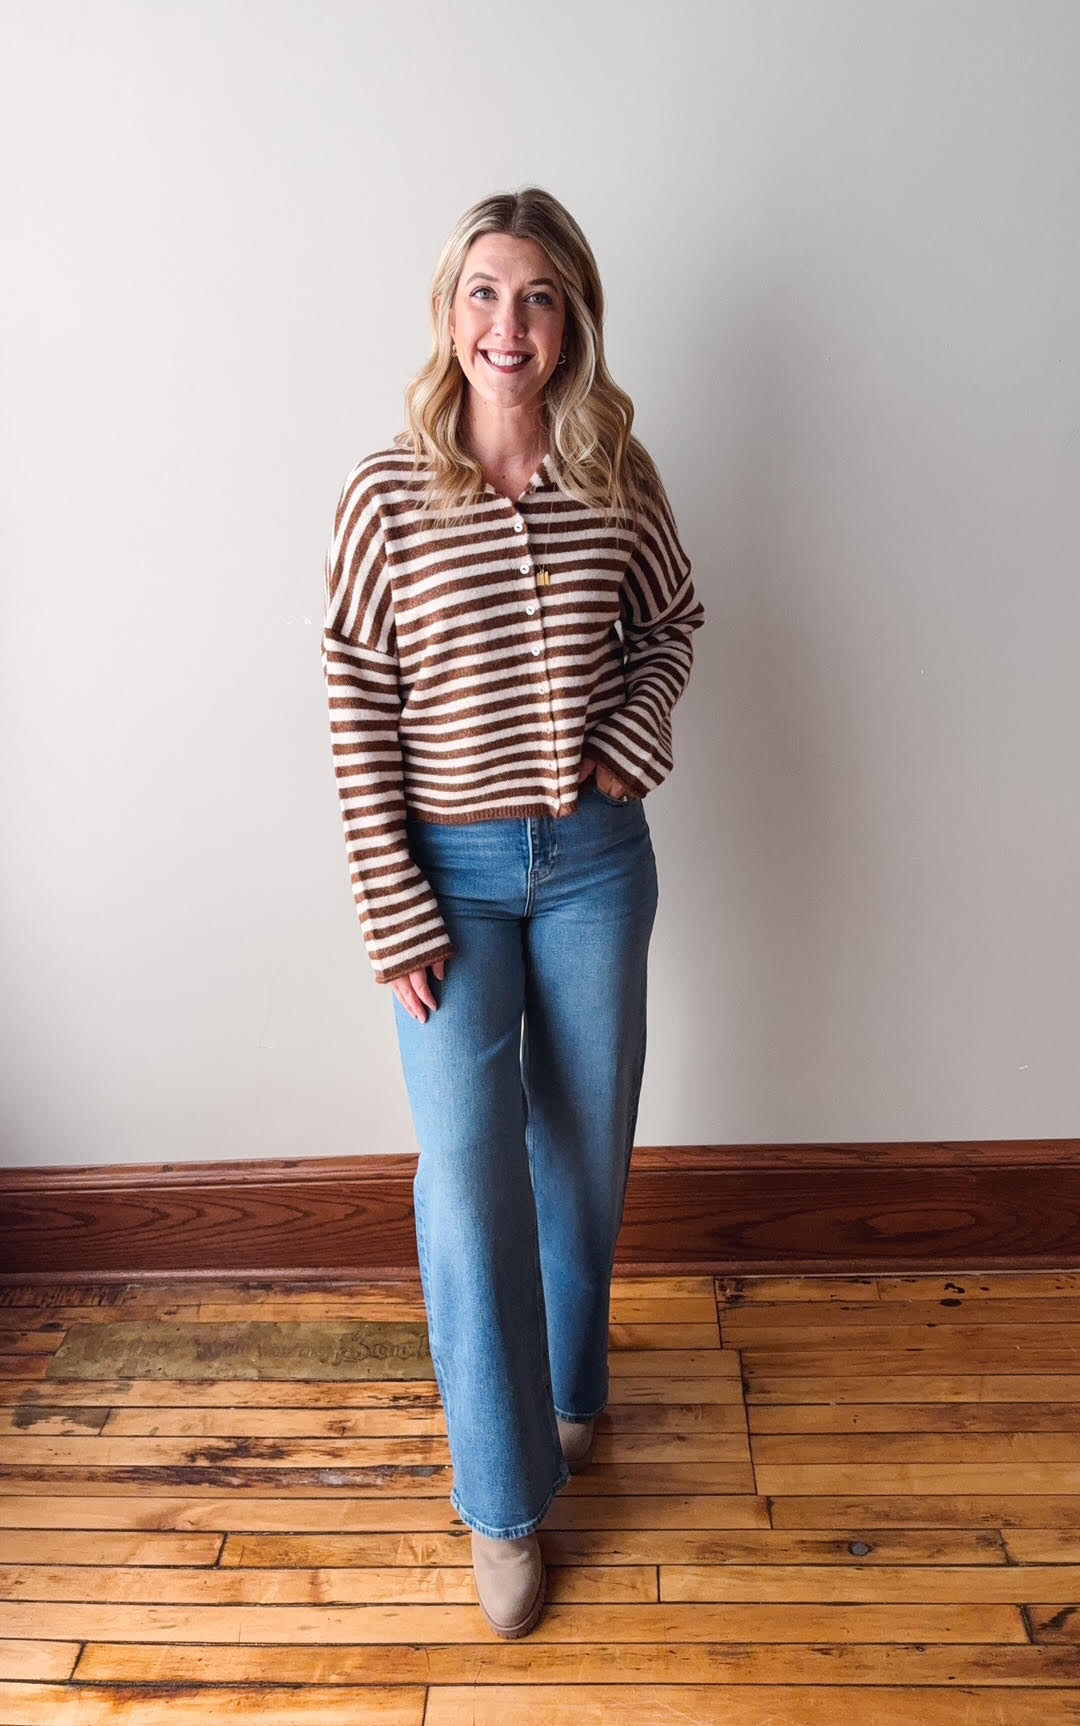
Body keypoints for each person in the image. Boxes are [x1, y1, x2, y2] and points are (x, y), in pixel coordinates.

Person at [322, 187, 703, 1638]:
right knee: (468, 1181)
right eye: (484, 293)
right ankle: (502, 1499)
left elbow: (675, 619)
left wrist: (632, 739)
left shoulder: (618, 469)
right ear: (447, 315)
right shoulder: (386, 492)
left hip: (599, 863)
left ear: (573, 320)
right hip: (449, 883)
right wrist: (392, 903)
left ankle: (573, 1382)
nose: (509, 324)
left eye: (538, 296)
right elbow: (355, 692)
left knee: (585, 1155)